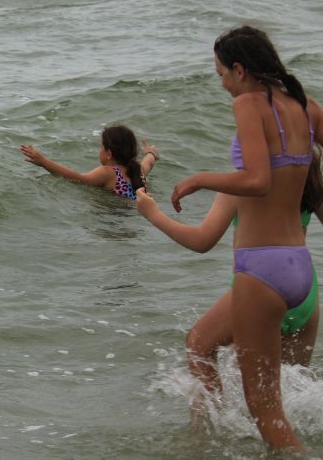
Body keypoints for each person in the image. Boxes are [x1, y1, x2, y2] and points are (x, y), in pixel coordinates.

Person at [167, 25, 323, 451]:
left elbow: (256, 180)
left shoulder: (249, 103)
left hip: (262, 267)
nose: (222, 84)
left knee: (269, 417)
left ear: (240, 70)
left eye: (221, 74)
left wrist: (199, 178)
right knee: (273, 411)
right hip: (300, 265)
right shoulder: (304, 105)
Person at [137, 149, 322, 422]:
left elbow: (202, 240)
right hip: (305, 292)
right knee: (285, 398)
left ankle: (207, 434)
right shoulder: (305, 179)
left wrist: (153, 214)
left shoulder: (240, 185)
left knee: (199, 344)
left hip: (260, 285)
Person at [20, 125, 158, 200]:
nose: (99, 151)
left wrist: (44, 162)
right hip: (136, 212)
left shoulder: (108, 172)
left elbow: (77, 178)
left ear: (109, 153)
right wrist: (150, 152)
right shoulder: (138, 169)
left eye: (101, 147)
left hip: (116, 215)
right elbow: (149, 162)